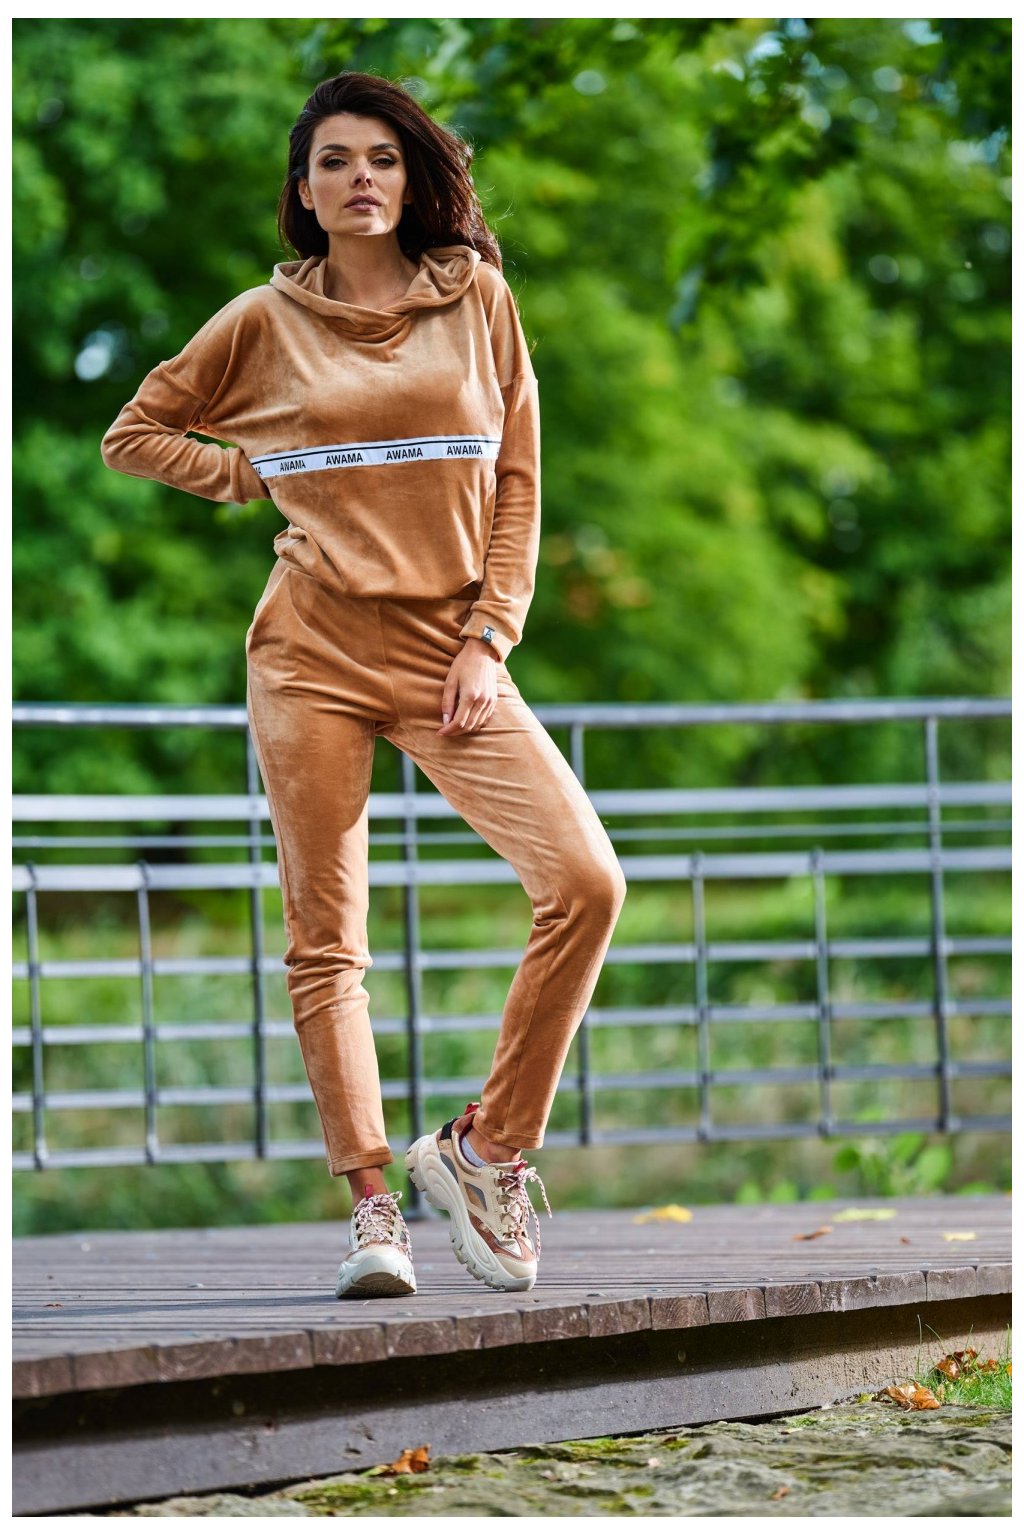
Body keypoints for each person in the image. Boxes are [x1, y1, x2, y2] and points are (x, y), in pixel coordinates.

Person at [100, 71, 627, 1299]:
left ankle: (485, 1152)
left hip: (452, 651)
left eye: (382, 157)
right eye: (333, 161)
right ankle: (372, 1208)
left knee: (585, 881)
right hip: (310, 653)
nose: (360, 178)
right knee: (326, 941)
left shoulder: (477, 299)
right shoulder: (260, 322)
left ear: (412, 177)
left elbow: (517, 480)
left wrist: (491, 636)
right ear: (304, 190)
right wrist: (247, 475)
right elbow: (134, 432)